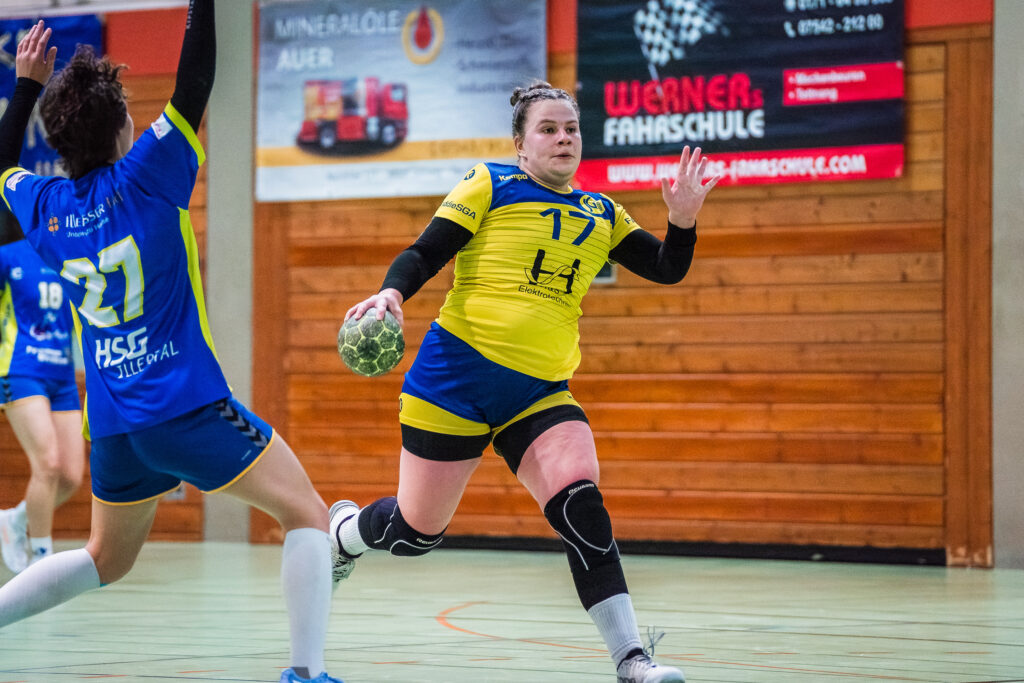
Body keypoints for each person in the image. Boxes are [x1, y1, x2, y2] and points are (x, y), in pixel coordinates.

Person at [328, 80, 719, 683]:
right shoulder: (490, 183)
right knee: (414, 535)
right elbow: (426, 252)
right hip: (453, 381)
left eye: (572, 130)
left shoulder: (602, 213)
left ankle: (631, 659)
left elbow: (667, 268)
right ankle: (344, 534)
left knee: (582, 506)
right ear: (521, 144)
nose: (564, 139)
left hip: (539, 393)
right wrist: (391, 293)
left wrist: (683, 220)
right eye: (549, 129)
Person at [0, 11, 344, 683]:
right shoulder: (150, 174)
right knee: (307, 513)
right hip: (185, 407)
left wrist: (25, 87)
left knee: (105, 558)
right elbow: (195, 81)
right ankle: (307, 671)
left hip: (116, 427)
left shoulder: (42, 204)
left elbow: (3, 165)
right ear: (122, 128)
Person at [0, 214, 85, 573]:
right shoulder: (8, 257)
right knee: (47, 464)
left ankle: (15, 520)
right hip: (21, 370)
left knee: (70, 476)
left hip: (62, 374)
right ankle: (42, 562)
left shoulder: (71, 259)